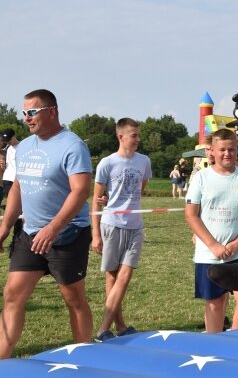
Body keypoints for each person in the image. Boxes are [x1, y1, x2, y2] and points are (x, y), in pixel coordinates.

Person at [0, 89, 93, 358]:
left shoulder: (72, 145)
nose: (26, 118)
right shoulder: (25, 146)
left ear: (51, 111)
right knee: (13, 294)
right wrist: (6, 226)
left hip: (67, 235)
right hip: (29, 234)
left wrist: (53, 228)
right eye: (24, 112)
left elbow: (80, 190)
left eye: (32, 112)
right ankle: (2, 361)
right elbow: (17, 187)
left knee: (73, 298)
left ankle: (82, 358)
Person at [185, 128, 238, 333]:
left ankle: (236, 340)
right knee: (216, 303)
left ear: (237, 151)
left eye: (232, 149)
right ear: (213, 152)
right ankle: (215, 344)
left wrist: (237, 242)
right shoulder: (201, 177)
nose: (227, 154)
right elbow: (191, 215)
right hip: (209, 254)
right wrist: (213, 245)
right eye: (223, 150)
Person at [91, 118, 152, 341]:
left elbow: (140, 188)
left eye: (138, 135)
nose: (138, 139)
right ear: (121, 136)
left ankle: (103, 329)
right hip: (112, 225)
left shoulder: (144, 161)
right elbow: (96, 201)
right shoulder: (107, 163)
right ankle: (119, 327)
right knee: (113, 277)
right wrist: (95, 234)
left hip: (135, 225)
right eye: (133, 135)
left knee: (124, 276)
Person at [1, 129, 18, 208]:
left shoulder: (23, 146)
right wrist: (3, 165)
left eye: (9, 139)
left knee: (18, 203)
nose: (7, 142)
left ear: (14, 136)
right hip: (7, 179)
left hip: (17, 179)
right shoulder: (7, 148)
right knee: (11, 204)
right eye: (5, 140)